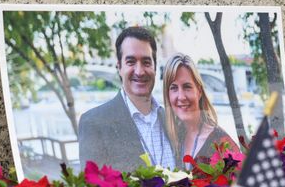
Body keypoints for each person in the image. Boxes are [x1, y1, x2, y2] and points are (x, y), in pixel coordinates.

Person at [78, 27, 175, 172]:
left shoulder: (173, 120)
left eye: (146, 62)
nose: (139, 71)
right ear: (119, 67)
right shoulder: (93, 123)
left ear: (155, 67)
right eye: (131, 62)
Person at [162, 53, 239, 169]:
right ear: (167, 95)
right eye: (173, 88)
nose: (181, 96)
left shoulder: (221, 142)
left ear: (199, 91)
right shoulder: (172, 139)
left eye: (187, 87)